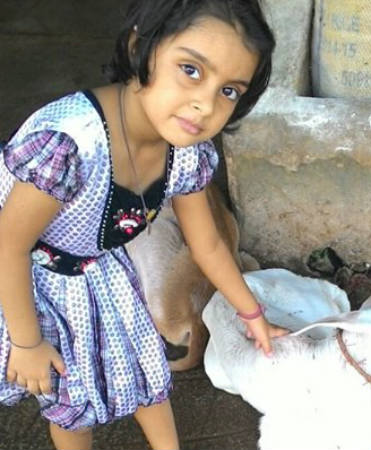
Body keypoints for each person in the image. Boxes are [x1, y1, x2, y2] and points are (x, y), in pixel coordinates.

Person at [0, 0, 288, 448]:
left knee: (144, 369)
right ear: (141, 48)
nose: (205, 104)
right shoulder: (67, 145)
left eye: (229, 91)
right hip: (28, 280)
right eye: (191, 70)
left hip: (100, 268)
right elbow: (9, 246)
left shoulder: (185, 151)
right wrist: (26, 343)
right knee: (72, 397)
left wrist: (253, 316)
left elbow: (208, 244)